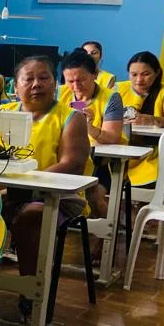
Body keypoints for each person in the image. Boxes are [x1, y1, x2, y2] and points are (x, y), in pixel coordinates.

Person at [0, 57, 92, 281]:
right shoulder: (1, 114)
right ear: (16, 87)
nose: (36, 84)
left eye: (43, 78)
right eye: (28, 79)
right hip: (6, 192)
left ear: (54, 84)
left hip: (58, 196)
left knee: (32, 215)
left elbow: (72, 165)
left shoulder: (71, 118)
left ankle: (32, 290)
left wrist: (20, 185)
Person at [59, 49, 124, 217]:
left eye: (81, 80)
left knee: (93, 195)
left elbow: (112, 137)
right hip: (62, 157)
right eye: (70, 81)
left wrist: (89, 127)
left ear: (95, 74)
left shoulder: (111, 98)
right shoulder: (59, 93)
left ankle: (107, 233)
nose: (75, 86)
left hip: (100, 162)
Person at [118, 51, 164, 187]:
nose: (139, 80)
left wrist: (153, 120)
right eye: (134, 75)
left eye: (146, 74)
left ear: (157, 72)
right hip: (120, 149)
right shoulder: (118, 89)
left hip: (151, 152)